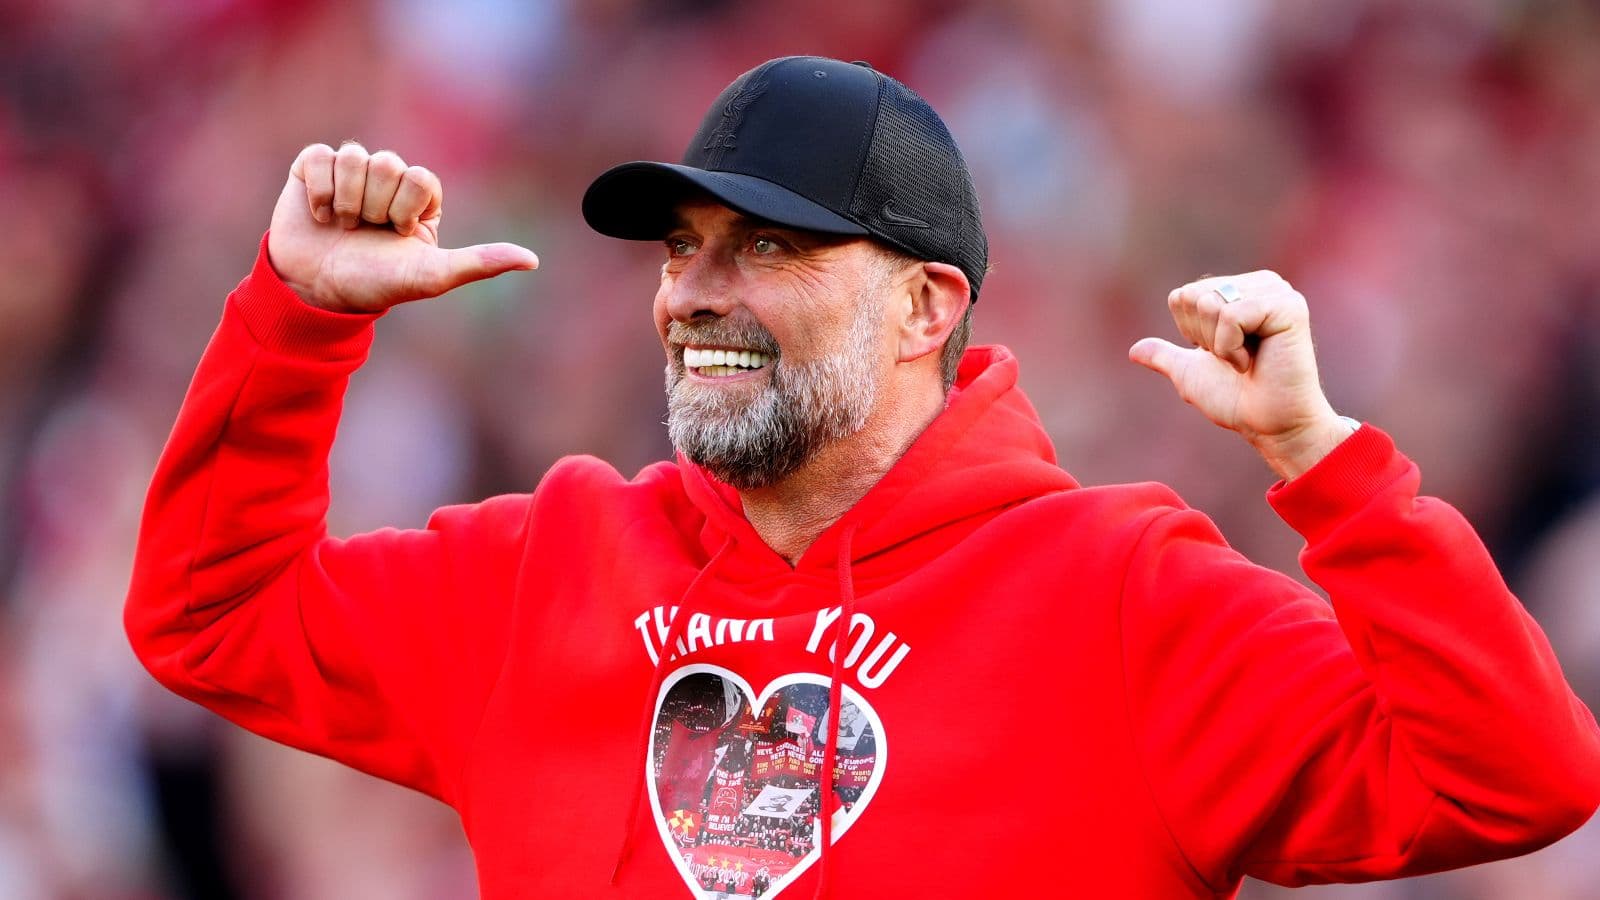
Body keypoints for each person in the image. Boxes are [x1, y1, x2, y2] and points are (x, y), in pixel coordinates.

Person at [124, 55, 1600, 899]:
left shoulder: (1122, 601)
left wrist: (1323, 464)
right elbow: (208, 618)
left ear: (924, 307)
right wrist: (295, 321)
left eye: (768, 249)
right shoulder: (548, 567)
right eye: (683, 249)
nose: (696, 293)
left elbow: (1515, 776)